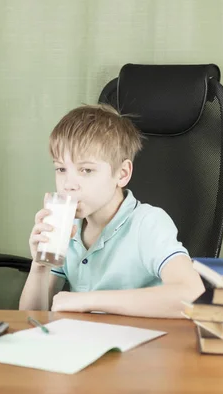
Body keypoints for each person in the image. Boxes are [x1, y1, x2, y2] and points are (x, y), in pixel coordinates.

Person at [19, 104, 205, 318]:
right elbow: (31, 319)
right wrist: (40, 266)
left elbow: (193, 295)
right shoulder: (67, 228)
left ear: (122, 174)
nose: (68, 184)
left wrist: (89, 300)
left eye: (86, 170)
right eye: (61, 169)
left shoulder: (148, 223)